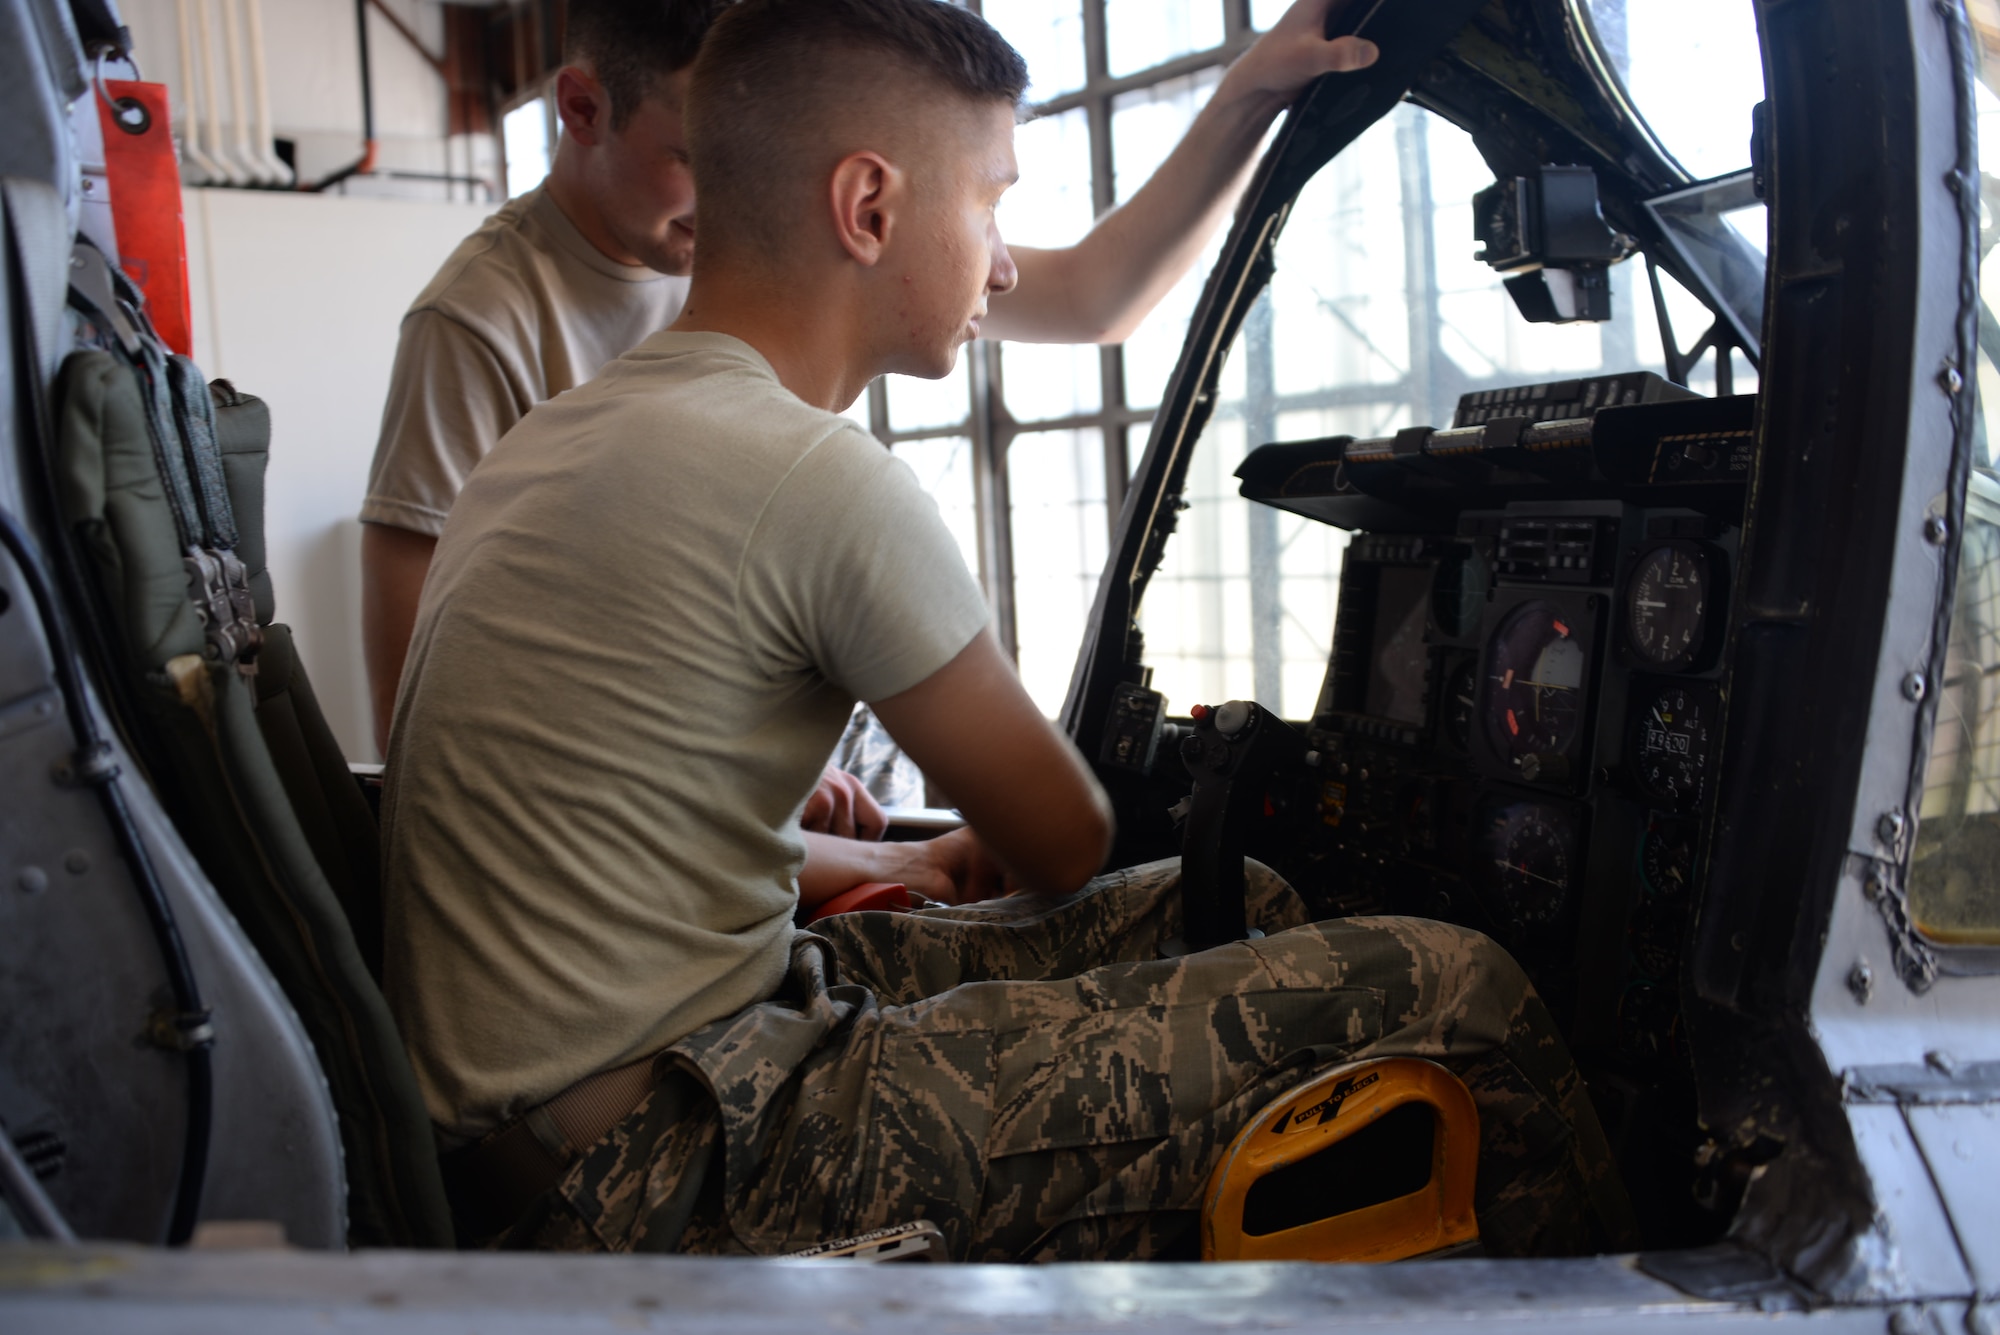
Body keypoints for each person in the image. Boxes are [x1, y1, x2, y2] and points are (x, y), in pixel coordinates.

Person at [380, 0, 1634, 1260]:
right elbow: (1060, 835)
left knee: (1237, 899)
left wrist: (963, 859)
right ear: (868, 208)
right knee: (1454, 993)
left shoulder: (576, 428)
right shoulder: (807, 474)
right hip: (656, 1165)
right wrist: (990, 842)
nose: (1002, 261)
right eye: (988, 201)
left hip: (591, 1105)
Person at [357, 0, 1380, 826]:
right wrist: (743, 805)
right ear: (578, 108)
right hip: (670, 825)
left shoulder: (770, 243)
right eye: (695, 155)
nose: (724, 194)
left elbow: (1092, 298)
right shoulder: (484, 321)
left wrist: (1247, 92)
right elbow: (436, 722)